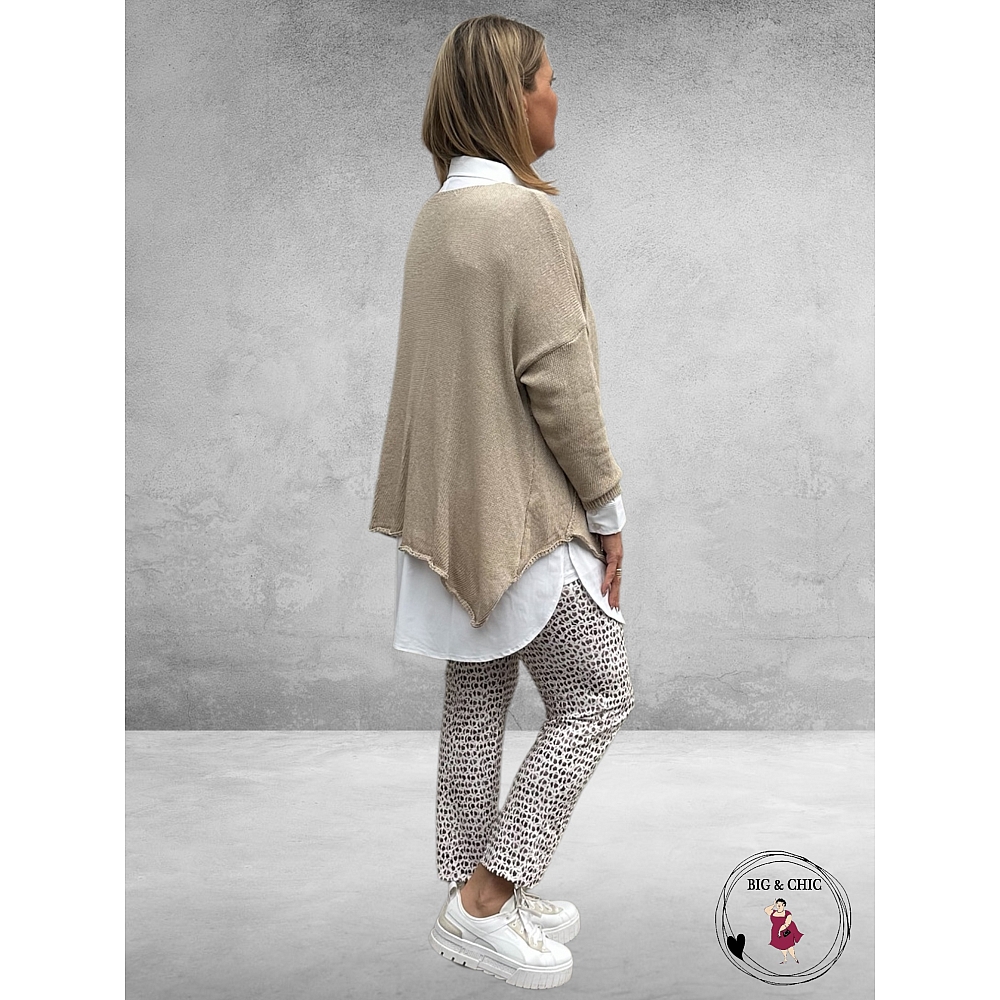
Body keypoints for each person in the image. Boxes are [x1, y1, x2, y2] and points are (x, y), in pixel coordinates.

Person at [368, 14, 635, 990]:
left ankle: (466, 895)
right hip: (519, 513)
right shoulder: (523, 217)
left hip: (445, 512)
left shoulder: (436, 218)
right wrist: (606, 508)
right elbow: (558, 378)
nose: (556, 96)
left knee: (478, 693)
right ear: (508, 100)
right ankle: (488, 894)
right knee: (598, 690)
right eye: (546, 80)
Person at [765, 899, 803, 964]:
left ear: (784, 905)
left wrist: (780, 930)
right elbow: (766, 910)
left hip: (786, 932)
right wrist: (773, 905)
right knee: (781, 946)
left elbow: (787, 923)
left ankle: (795, 958)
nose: (778, 906)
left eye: (780, 904)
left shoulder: (787, 913)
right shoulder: (773, 912)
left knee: (789, 946)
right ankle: (785, 959)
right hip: (775, 931)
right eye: (777, 904)